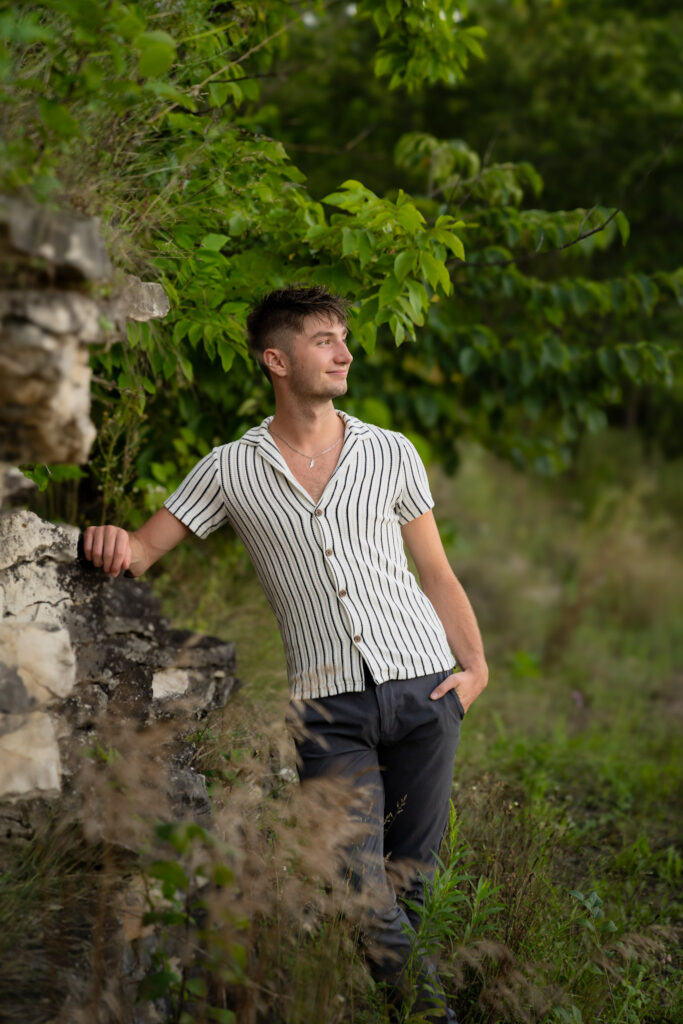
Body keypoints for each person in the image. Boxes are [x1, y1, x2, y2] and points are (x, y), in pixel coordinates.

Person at [83, 285, 488, 1022]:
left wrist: (475, 671)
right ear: (276, 359)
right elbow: (141, 550)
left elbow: (436, 573)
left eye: (343, 338)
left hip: (426, 690)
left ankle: (395, 1008)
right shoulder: (228, 469)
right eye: (324, 340)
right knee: (354, 885)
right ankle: (434, 1013)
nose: (345, 352)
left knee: (413, 881)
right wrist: (109, 540)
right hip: (326, 710)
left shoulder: (390, 451)